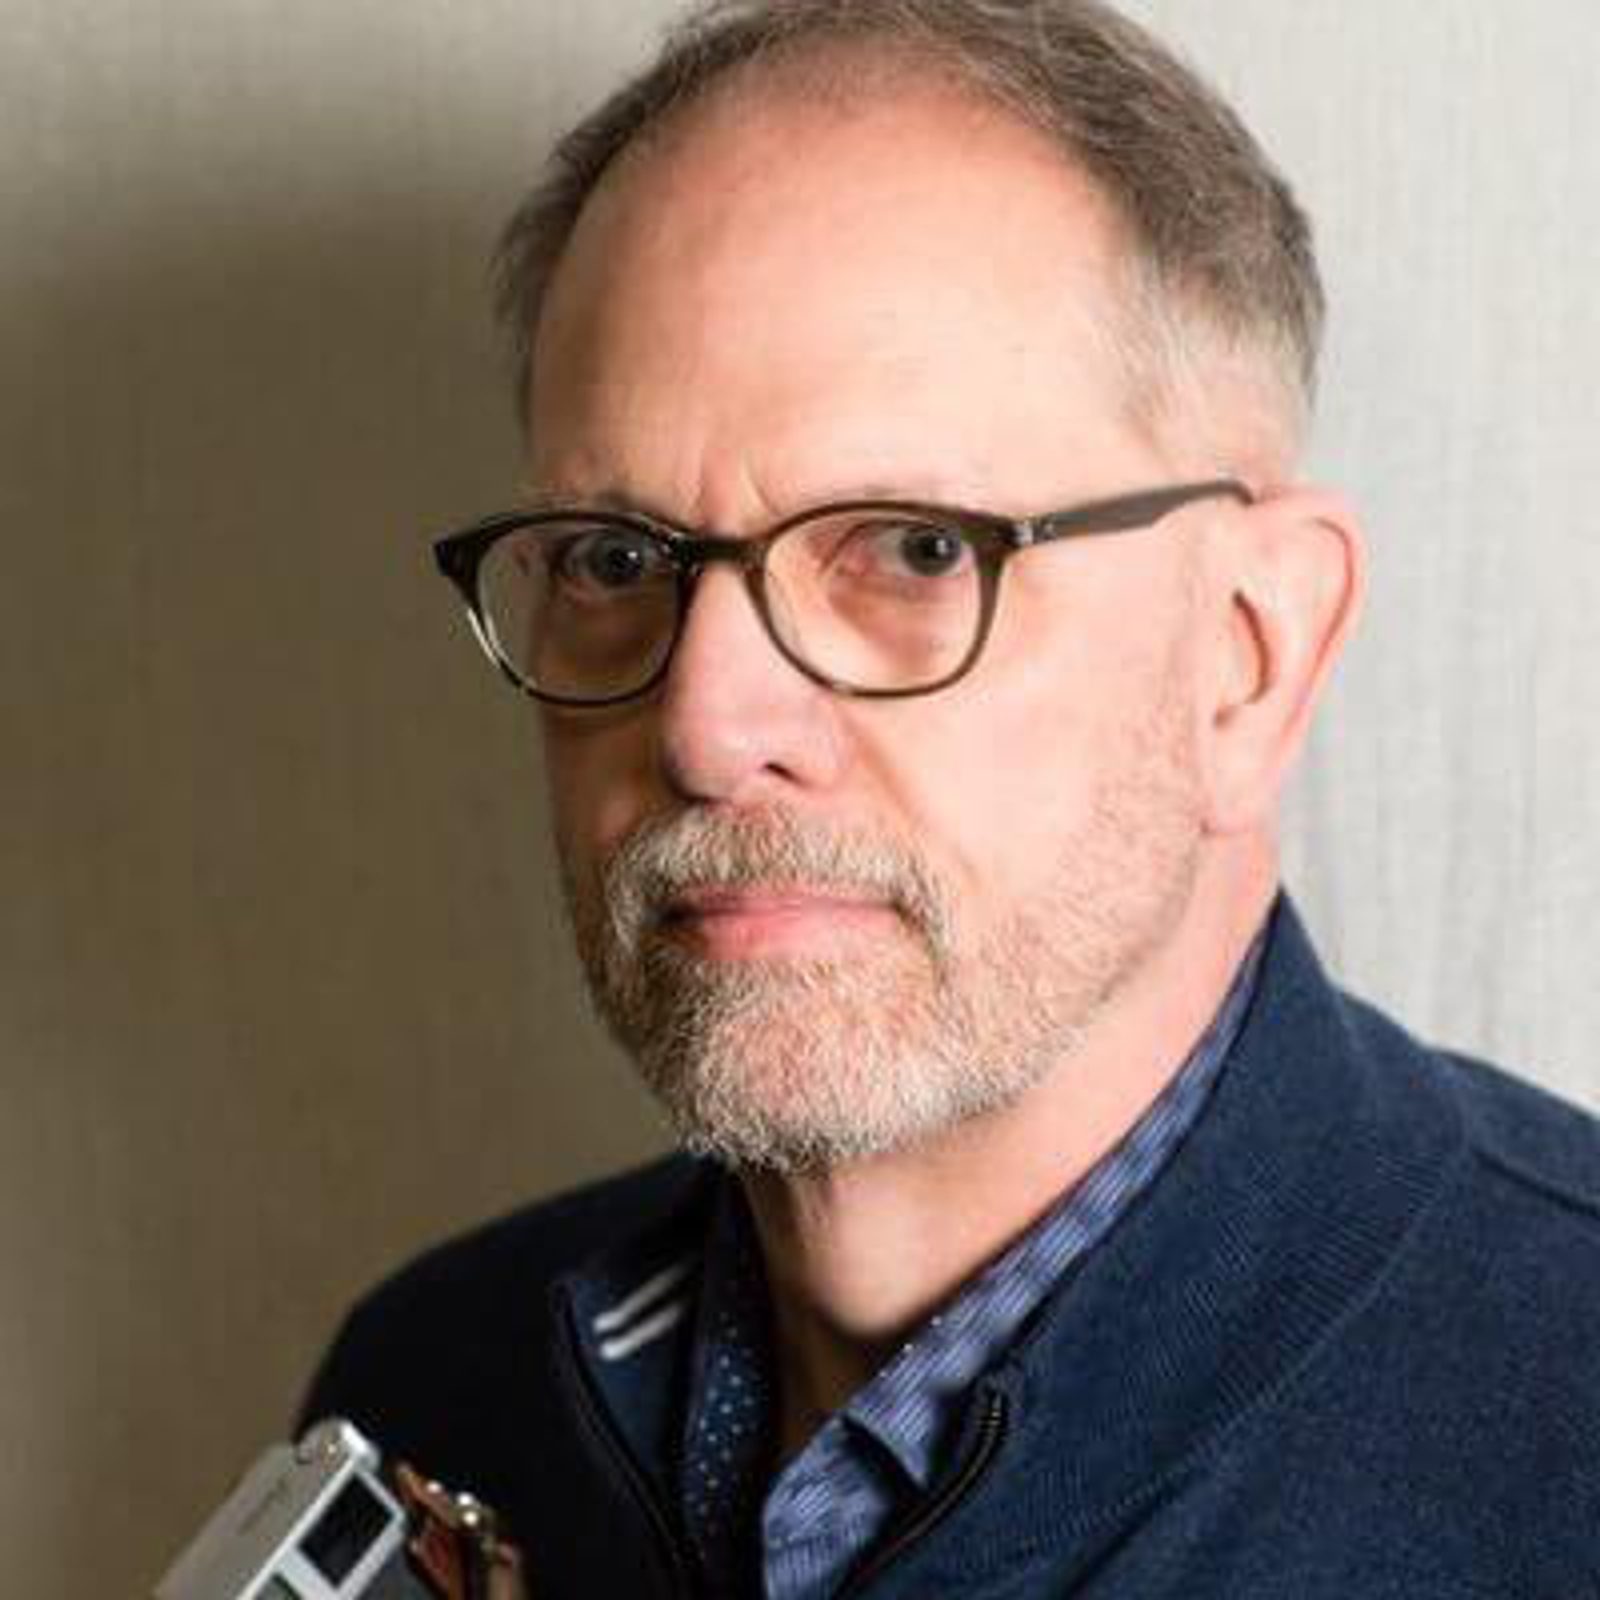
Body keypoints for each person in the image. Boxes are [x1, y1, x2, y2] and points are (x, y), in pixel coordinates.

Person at [301, 1, 1600, 1594]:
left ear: (1248, 656)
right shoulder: (434, 1395)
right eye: (615, 560)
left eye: (914, 549)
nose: (707, 724)